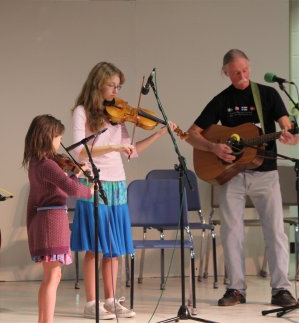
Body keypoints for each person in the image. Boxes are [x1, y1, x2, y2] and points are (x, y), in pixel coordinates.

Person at [186, 49, 299, 307]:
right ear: (225, 72)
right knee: (231, 232)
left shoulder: (268, 94)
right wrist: (213, 147)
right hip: (232, 175)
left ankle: (281, 289)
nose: (242, 75)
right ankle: (235, 289)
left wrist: (290, 135)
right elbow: (192, 134)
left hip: (266, 172)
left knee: (275, 232)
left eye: (245, 69)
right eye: (236, 72)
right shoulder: (221, 100)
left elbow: (287, 128)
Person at [70, 61, 177, 319]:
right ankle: (91, 303)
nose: (116, 92)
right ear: (98, 84)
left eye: (119, 86)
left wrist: (160, 134)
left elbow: (132, 150)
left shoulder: (118, 114)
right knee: (95, 246)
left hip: (117, 183)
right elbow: (79, 151)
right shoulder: (82, 111)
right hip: (94, 182)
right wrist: (114, 148)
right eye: (112, 86)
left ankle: (110, 299)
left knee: (114, 247)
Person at [22, 114, 93, 323]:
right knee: (52, 276)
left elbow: (59, 186)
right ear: (48, 136)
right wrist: (91, 191)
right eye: (58, 137)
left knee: (53, 276)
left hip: (50, 220)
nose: (60, 142)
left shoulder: (38, 164)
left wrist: (75, 175)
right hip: (51, 222)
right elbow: (70, 189)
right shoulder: (47, 165)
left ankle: (45, 321)